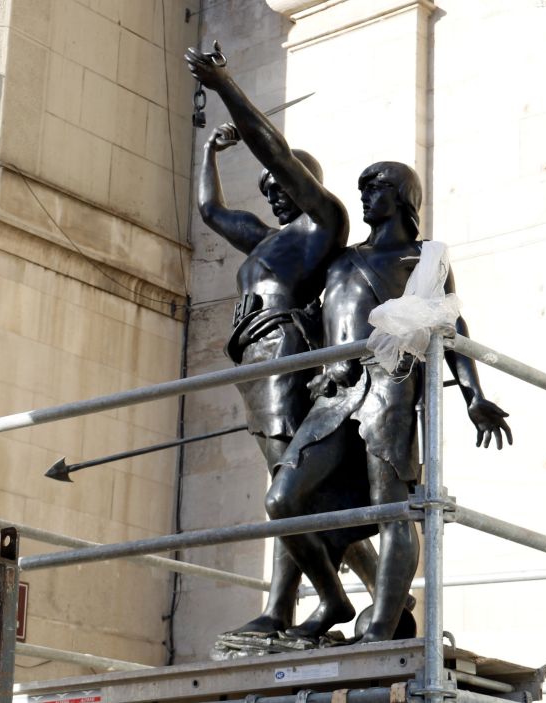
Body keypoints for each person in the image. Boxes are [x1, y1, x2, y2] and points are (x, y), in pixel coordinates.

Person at [266, 162, 513, 642]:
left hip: (390, 386)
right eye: (361, 187)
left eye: (375, 187)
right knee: (283, 500)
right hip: (333, 395)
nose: (364, 195)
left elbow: (450, 325)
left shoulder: (422, 258)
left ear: (403, 196)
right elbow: (312, 320)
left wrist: (473, 394)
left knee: (391, 509)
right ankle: (334, 598)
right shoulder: (339, 260)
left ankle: (380, 625)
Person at [188, 48, 381, 638]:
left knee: (286, 491)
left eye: (280, 184)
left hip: (285, 355)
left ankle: (296, 607)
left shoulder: (321, 223)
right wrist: (207, 152)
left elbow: (271, 146)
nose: (271, 192)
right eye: (266, 188)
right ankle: (383, 596)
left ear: (304, 184)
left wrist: (225, 86)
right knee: (290, 494)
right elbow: (209, 209)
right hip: (254, 364)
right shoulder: (267, 242)